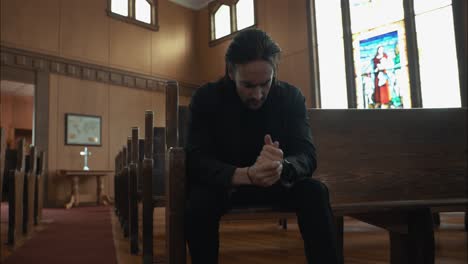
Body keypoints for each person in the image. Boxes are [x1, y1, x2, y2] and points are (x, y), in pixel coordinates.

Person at [185, 28, 339, 264]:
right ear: (229, 71)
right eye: (247, 85)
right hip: (226, 186)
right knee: (198, 201)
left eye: (265, 83)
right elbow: (195, 159)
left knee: (315, 192)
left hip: (277, 183)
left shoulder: (291, 97)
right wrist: (244, 175)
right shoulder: (206, 98)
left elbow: (307, 155)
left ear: (274, 72)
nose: (257, 94)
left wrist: (282, 167)